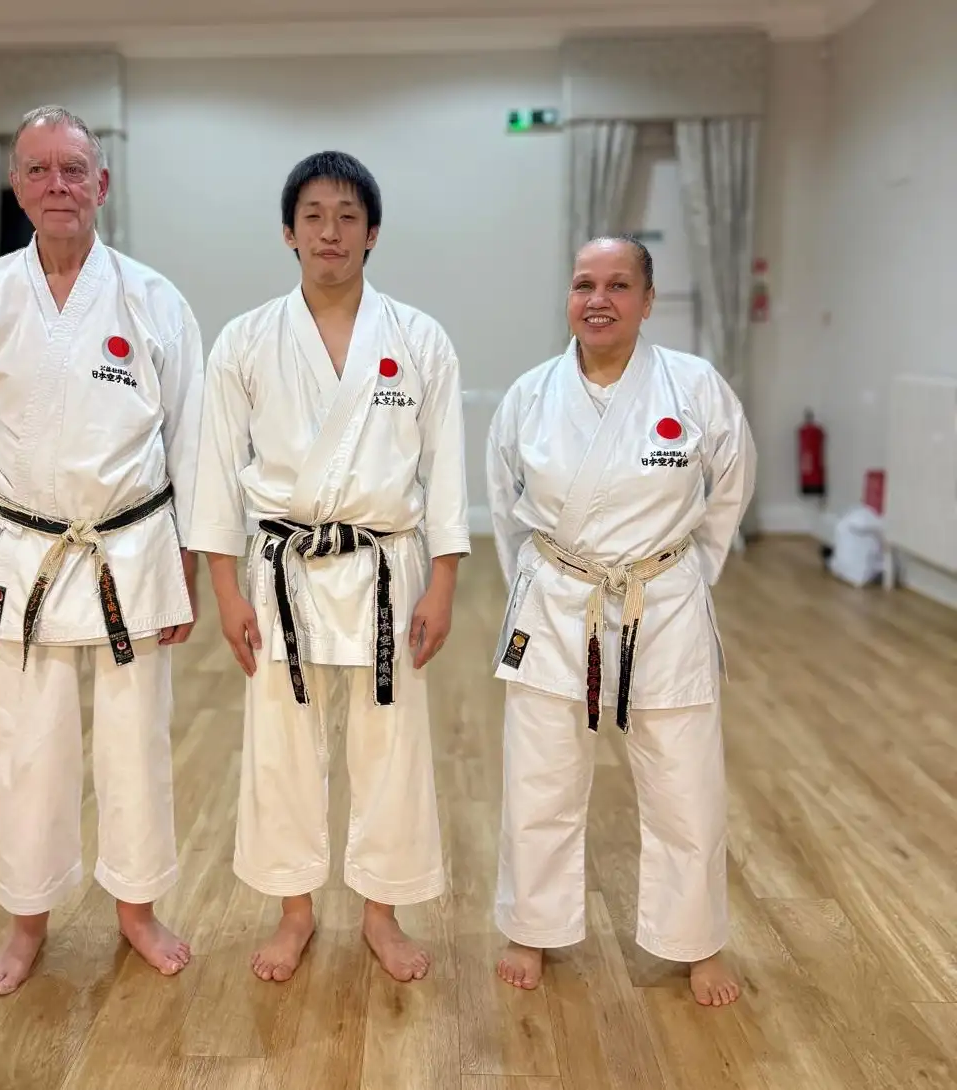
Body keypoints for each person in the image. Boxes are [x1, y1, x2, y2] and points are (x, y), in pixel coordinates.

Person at [0, 105, 204, 996]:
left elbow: (191, 440)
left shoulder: (154, 299)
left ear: (103, 184)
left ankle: (137, 909)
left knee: (137, 742)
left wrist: (191, 562)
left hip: (133, 548)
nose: (58, 185)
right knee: (28, 743)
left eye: (73, 169)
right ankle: (27, 917)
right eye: (40, 170)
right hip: (25, 552)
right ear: (17, 185)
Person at [188, 151, 469, 984]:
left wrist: (445, 582)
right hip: (282, 567)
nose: (330, 232)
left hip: (387, 565)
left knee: (391, 744)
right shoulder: (244, 340)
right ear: (288, 232)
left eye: (348, 216)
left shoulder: (419, 339)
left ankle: (382, 914)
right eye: (313, 216)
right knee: (281, 744)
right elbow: (214, 471)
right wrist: (226, 589)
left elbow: (446, 471)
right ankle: (295, 912)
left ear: (373, 233)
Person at [486, 235, 755, 1006]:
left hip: (660, 601)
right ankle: (532, 927)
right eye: (583, 284)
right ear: (568, 297)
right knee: (540, 777)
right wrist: (546, 585)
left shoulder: (694, 387)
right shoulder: (530, 396)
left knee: (685, 781)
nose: (597, 299)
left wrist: (685, 579)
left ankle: (695, 941)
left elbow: (728, 493)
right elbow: (506, 511)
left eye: (616, 284)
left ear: (647, 298)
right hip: (555, 597)